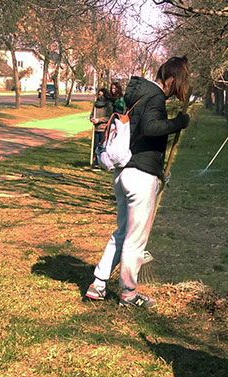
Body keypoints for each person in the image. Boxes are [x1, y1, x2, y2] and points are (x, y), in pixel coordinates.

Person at [85, 56, 190, 308]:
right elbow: (151, 127)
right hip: (140, 177)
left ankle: (97, 285)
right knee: (135, 239)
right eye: (179, 86)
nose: (178, 93)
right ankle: (129, 294)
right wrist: (179, 123)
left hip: (124, 174)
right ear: (171, 80)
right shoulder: (154, 97)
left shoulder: (138, 94)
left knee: (121, 233)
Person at [89, 87, 113, 169]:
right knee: (95, 146)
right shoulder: (96, 104)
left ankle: (103, 163)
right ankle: (95, 162)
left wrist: (99, 120)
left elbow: (109, 117)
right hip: (96, 129)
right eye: (99, 94)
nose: (100, 96)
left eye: (102, 95)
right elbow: (92, 114)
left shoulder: (108, 105)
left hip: (104, 128)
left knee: (103, 147)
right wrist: (92, 119)